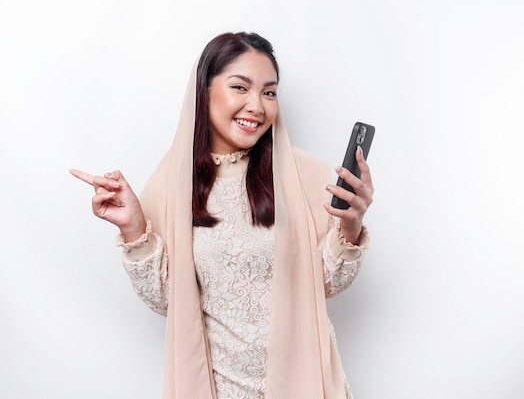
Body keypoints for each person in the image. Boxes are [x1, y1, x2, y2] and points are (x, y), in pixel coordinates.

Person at [70, 32, 373, 399]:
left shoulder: (305, 174)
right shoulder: (170, 184)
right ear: (205, 91)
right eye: (240, 87)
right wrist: (134, 228)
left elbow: (328, 284)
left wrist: (350, 225)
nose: (257, 106)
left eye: (269, 92)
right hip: (218, 388)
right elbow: (166, 301)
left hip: (303, 382)